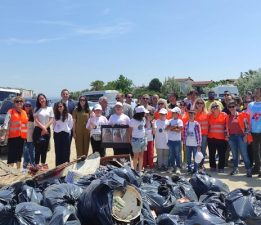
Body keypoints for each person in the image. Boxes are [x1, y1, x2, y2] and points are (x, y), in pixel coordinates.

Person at [225, 100, 252, 177]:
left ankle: (248, 169)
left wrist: (246, 136)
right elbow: (226, 128)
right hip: (231, 137)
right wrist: (227, 136)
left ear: (236, 107)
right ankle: (235, 169)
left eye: (233, 106)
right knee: (234, 154)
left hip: (241, 136)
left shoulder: (242, 115)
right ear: (228, 108)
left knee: (244, 154)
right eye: (229, 107)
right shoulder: (227, 117)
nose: (231, 108)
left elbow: (247, 127)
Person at [0, 96, 28, 169]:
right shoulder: (10, 111)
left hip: (22, 137)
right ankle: (10, 171)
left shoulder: (24, 112)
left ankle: (18, 170)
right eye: (17, 101)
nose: (19, 103)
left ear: (23, 103)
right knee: (11, 154)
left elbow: (26, 125)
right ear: (14, 103)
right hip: (12, 137)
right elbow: (5, 123)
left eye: (20, 101)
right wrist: (3, 134)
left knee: (19, 154)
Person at [33, 93, 54, 169]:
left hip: (47, 130)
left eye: (43, 98)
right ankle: (36, 165)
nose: (42, 100)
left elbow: (51, 119)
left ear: (45, 98)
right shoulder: (36, 109)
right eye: (40, 99)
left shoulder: (50, 108)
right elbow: (36, 120)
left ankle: (42, 165)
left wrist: (45, 128)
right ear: (38, 101)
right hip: (38, 130)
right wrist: (43, 128)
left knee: (44, 149)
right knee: (37, 149)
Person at [207, 102, 227, 173]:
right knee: (211, 153)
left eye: (216, 106)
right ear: (211, 109)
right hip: (211, 138)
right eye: (213, 106)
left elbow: (227, 126)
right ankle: (213, 166)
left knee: (222, 154)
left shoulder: (224, 115)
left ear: (219, 107)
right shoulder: (209, 116)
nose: (215, 107)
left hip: (221, 138)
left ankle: (221, 167)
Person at [53, 101, 73, 166]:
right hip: (57, 134)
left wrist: (67, 130)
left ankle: (66, 166)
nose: (59, 108)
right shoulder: (55, 116)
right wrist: (57, 130)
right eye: (58, 107)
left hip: (66, 134)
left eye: (61, 106)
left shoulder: (68, 115)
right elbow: (53, 125)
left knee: (66, 151)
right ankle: (58, 167)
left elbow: (71, 125)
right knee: (58, 151)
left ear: (64, 107)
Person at [129, 106, 148, 173]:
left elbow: (143, 127)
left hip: (143, 139)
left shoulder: (143, 119)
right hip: (136, 140)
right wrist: (130, 140)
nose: (145, 114)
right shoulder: (132, 121)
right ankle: (134, 171)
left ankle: (139, 171)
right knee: (135, 156)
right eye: (144, 112)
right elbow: (130, 131)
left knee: (141, 156)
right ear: (141, 113)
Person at [247, 87, 261, 177]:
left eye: (257, 93)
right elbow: (247, 118)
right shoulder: (250, 105)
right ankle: (256, 168)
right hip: (253, 132)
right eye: (255, 92)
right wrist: (247, 130)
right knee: (255, 151)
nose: (255, 94)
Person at [183, 109, 202, 173]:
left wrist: (199, 144)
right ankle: (189, 169)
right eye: (190, 114)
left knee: (196, 158)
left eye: (192, 114)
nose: (191, 116)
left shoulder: (197, 124)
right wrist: (184, 144)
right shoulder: (186, 124)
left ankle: (195, 170)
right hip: (188, 144)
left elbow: (199, 135)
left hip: (195, 145)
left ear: (194, 116)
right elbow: (184, 135)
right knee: (188, 158)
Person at [166, 107, 183, 175]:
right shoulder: (170, 120)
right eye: (172, 112)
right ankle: (172, 167)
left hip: (177, 141)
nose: (173, 113)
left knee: (177, 154)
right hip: (170, 140)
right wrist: (175, 126)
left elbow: (180, 130)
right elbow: (166, 128)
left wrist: (172, 128)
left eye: (174, 112)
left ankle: (178, 167)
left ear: (178, 114)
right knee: (171, 155)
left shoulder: (180, 121)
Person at [194, 98, 208, 169]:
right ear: (195, 104)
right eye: (198, 103)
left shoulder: (207, 113)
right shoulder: (193, 113)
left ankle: (201, 164)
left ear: (203, 104)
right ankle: (196, 164)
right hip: (195, 135)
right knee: (196, 150)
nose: (199, 104)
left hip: (204, 135)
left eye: (201, 103)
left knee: (203, 150)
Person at [22, 101, 35, 170]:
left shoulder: (33, 114)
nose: (28, 107)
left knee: (32, 150)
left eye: (29, 106)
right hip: (23, 135)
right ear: (24, 106)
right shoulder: (21, 114)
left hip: (31, 135)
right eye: (26, 105)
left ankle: (33, 164)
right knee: (25, 151)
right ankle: (25, 166)